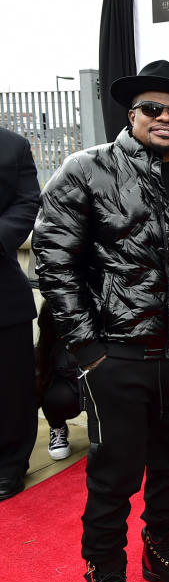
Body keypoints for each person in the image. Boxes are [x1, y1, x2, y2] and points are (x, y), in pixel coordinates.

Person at [33, 60, 169, 582]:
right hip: (115, 357)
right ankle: (105, 573)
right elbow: (53, 262)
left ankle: (162, 549)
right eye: (153, 108)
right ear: (132, 112)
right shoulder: (83, 170)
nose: (166, 118)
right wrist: (88, 348)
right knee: (114, 476)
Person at [0, 126, 40, 501]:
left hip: (2, 291)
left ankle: (9, 464)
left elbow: (27, 204)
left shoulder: (13, 146)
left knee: (11, 385)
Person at [36, 300, 83, 461]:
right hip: (67, 391)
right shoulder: (46, 348)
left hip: (95, 387)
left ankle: (107, 431)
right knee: (52, 394)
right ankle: (57, 427)